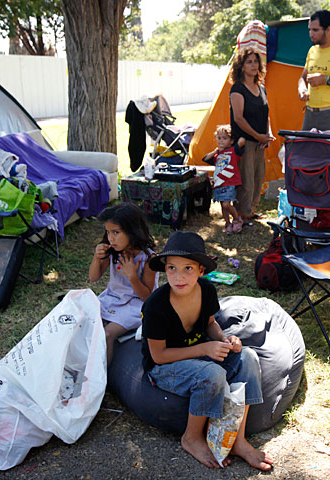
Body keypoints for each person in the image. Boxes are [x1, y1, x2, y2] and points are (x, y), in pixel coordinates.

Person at [141, 231, 273, 471]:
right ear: (165, 269)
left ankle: (238, 439)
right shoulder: (156, 305)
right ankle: (191, 437)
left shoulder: (207, 290)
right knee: (212, 374)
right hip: (165, 367)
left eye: (187, 269)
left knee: (248, 357)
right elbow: (158, 356)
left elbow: (210, 323)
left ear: (201, 270)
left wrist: (225, 339)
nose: (178, 276)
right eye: (171, 268)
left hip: (198, 354)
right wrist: (204, 348)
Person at [89, 203, 158, 365]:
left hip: (135, 306)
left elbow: (147, 297)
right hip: (112, 298)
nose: (110, 238)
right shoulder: (113, 251)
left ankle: (101, 380)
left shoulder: (149, 259)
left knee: (107, 334)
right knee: (86, 324)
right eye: (108, 232)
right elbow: (93, 277)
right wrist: (96, 257)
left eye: (116, 232)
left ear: (133, 231)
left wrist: (132, 276)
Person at [229, 47, 275, 226]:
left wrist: (268, 134)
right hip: (245, 141)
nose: (254, 65)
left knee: (258, 177)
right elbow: (238, 118)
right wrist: (257, 136)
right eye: (249, 62)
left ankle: (251, 211)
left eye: (256, 61)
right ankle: (241, 213)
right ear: (241, 66)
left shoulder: (262, 88)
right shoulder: (237, 89)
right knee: (246, 180)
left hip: (260, 142)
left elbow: (266, 114)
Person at [202, 124, 246, 234]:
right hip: (219, 183)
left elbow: (242, 140)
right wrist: (215, 151)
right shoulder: (218, 155)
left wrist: (237, 131)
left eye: (225, 138)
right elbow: (205, 158)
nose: (221, 141)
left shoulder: (233, 151)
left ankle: (236, 219)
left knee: (227, 204)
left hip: (229, 182)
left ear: (231, 140)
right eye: (219, 138)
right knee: (223, 206)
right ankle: (227, 223)